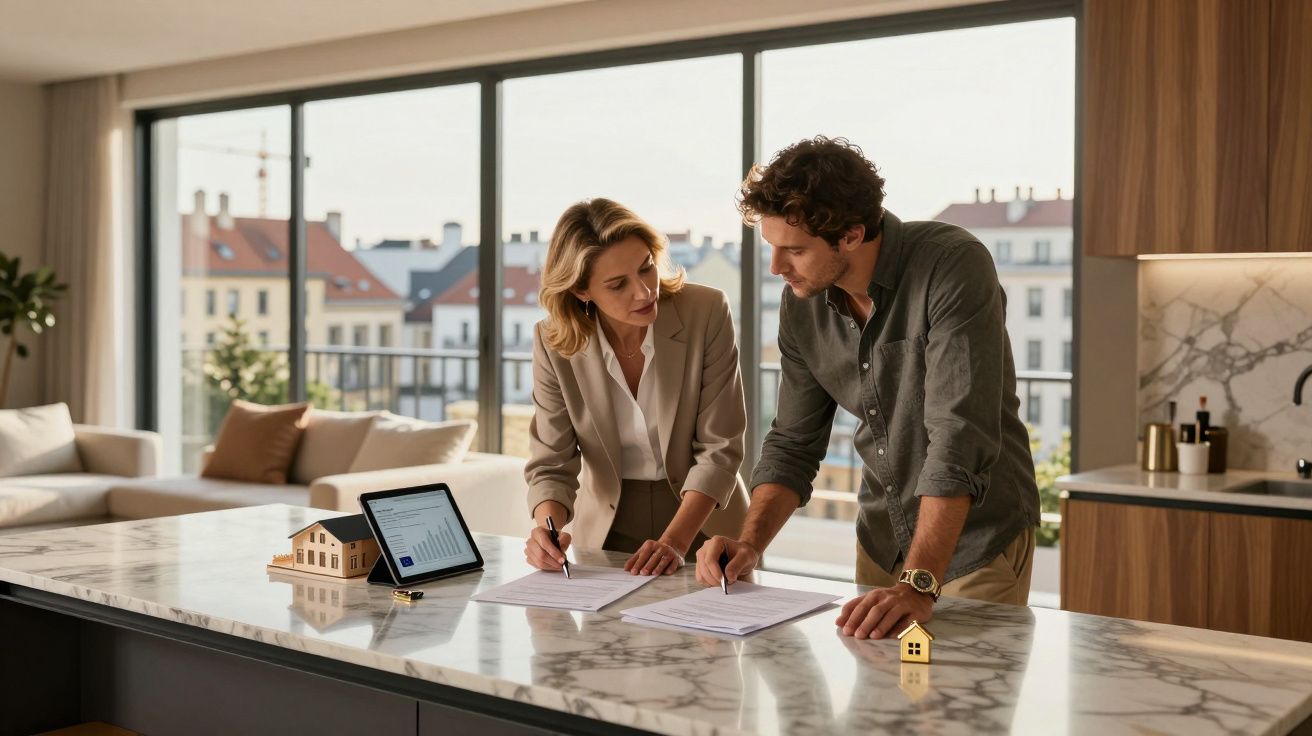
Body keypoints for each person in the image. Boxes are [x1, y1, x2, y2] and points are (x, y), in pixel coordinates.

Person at [696, 136, 1040, 638]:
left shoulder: (951, 264)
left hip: (972, 545)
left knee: (960, 689)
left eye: (795, 250)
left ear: (853, 235)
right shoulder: (802, 303)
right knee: (877, 686)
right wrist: (749, 544)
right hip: (880, 539)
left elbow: (959, 437)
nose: (776, 267)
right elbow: (793, 442)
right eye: (772, 247)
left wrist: (918, 583)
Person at [524, 198, 749, 576]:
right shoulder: (553, 343)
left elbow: (720, 447)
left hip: (705, 521)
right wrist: (547, 531)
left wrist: (674, 542)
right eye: (618, 285)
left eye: (646, 268)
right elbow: (552, 463)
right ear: (581, 290)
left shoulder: (706, 311)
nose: (644, 291)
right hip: (607, 529)